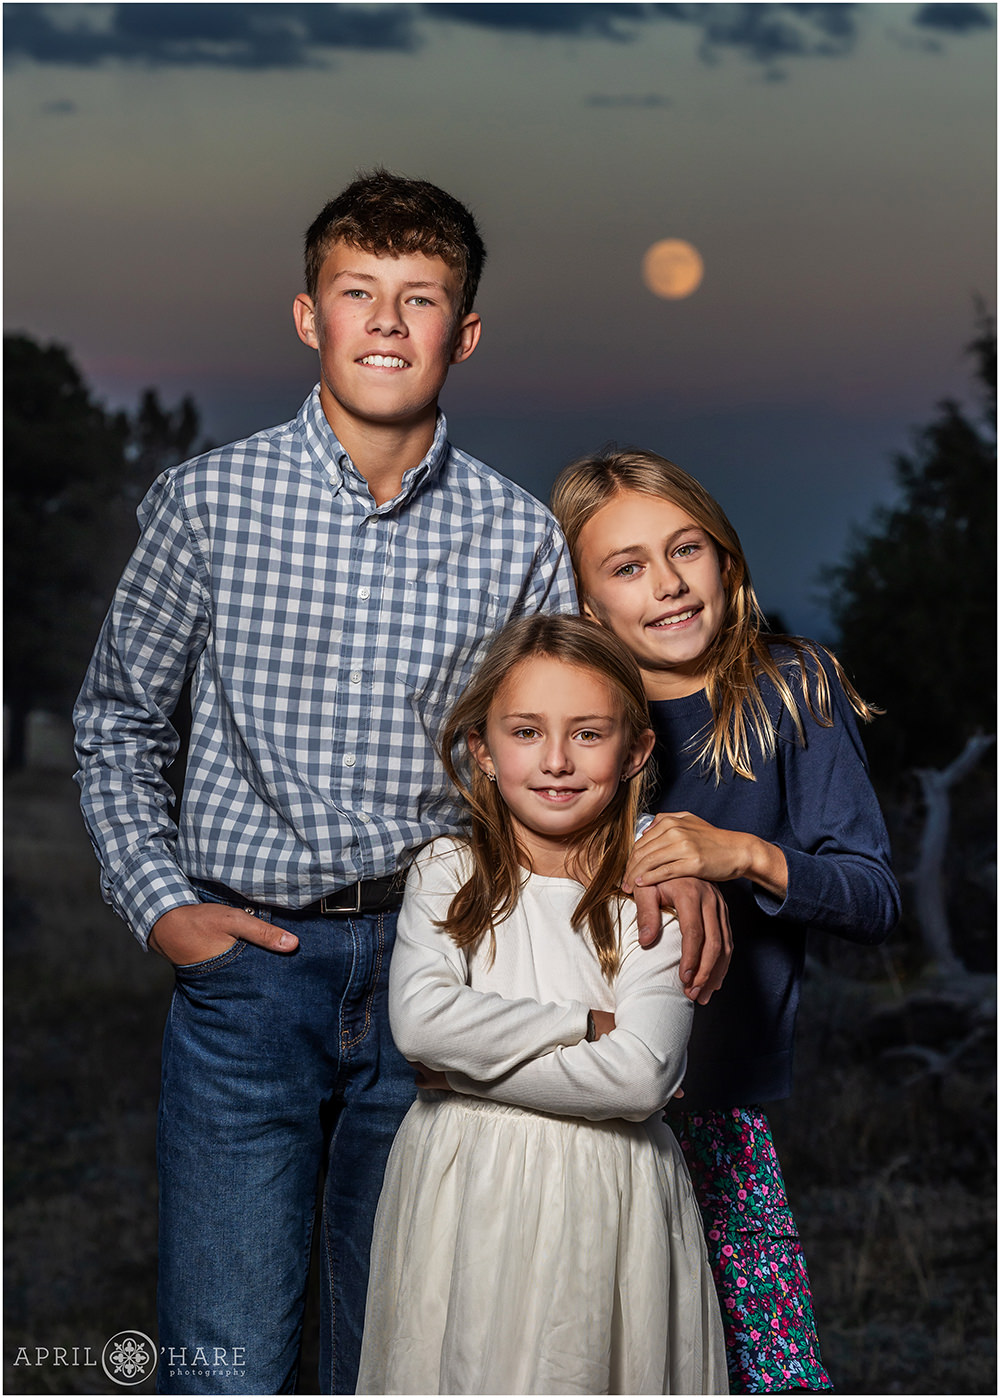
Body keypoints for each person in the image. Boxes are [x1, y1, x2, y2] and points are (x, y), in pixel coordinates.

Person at [73, 169, 585, 1396]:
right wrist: (164, 910)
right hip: (249, 974)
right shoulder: (208, 506)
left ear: (463, 334)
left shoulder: (518, 537)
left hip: (431, 976)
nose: (387, 323)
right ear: (310, 316)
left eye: (420, 300)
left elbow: (563, 762)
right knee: (232, 1360)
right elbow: (116, 722)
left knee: (397, 1355)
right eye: (358, 293)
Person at [550, 449, 901, 1394]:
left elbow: (873, 895)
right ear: (586, 604)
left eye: (685, 549)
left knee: (768, 1364)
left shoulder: (794, 688)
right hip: (573, 1103)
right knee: (604, 1357)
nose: (667, 584)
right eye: (626, 567)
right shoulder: (563, 715)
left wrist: (741, 854)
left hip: (718, 1102)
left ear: (725, 558)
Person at [356, 614, 728, 1395]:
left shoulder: (651, 895)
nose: (556, 761)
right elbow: (420, 1023)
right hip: (462, 1192)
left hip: (608, 1196)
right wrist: (580, 1023)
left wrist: (461, 1073)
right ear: (483, 750)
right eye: (526, 731)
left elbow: (637, 1081)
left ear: (635, 751)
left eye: (588, 734)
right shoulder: (447, 869)